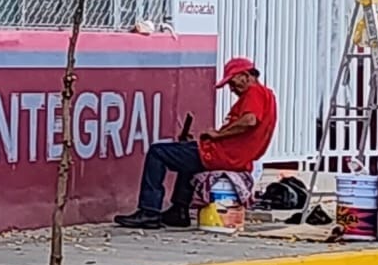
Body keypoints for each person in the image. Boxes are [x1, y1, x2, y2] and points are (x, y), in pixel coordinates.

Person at [114, 56, 278, 229]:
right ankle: (179, 210)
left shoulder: (255, 92)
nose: (231, 89)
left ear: (245, 75)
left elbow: (250, 121)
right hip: (230, 156)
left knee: (157, 152)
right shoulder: (268, 97)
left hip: (220, 155)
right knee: (187, 159)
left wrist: (218, 134)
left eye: (233, 82)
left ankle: (149, 211)